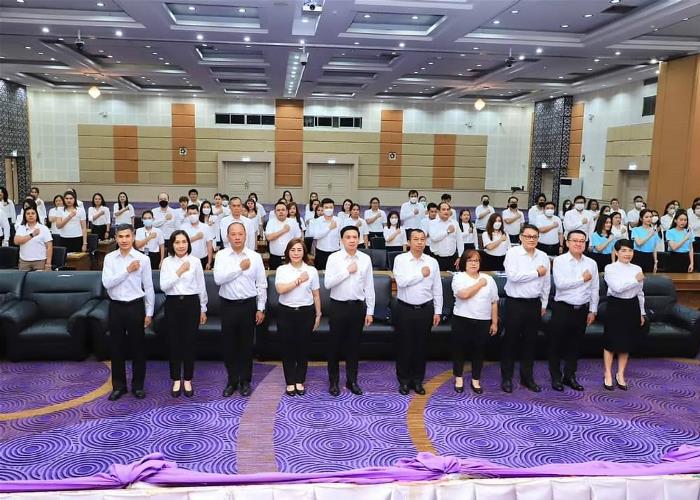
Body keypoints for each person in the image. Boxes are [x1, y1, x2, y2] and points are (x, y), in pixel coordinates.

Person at [102, 224, 155, 401]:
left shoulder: (143, 259)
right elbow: (107, 283)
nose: (124, 240)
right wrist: (127, 270)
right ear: (116, 238)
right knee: (116, 348)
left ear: (133, 237)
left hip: (135, 307)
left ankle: (138, 386)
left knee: (138, 348)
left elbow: (149, 287)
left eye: (127, 236)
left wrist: (149, 312)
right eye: (120, 236)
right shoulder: (110, 258)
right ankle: (119, 386)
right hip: (116, 306)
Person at [214, 222, 267, 397]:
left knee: (246, 346)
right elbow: (219, 279)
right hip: (228, 305)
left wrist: (260, 308)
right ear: (227, 237)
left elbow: (261, 284)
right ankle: (232, 381)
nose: (237, 237)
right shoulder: (221, 255)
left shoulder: (255, 257)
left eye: (240, 234)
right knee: (229, 346)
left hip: (248, 306)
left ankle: (245, 381)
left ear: (246, 236)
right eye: (233, 234)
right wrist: (239, 268)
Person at [324, 226, 375, 396]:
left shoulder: (365, 259)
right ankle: (333, 381)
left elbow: (369, 286)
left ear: (359, 239)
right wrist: (347, 271)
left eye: (355, 237)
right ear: (342, 240)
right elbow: (328, 284)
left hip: (357, 307)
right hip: (338, 307)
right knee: (334, 346)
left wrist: (370, 311)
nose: (352, 240)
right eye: (348, 237)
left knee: (354, 346)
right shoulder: (334, 258)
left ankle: (352, 380)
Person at [501, 224, 551, 393]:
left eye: (534, 237)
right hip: (515, 304)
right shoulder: (512, 253)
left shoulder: (543, 256)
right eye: (528, 236)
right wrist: (536, 273)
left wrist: (544, 304)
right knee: (510, 342)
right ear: (521, 237)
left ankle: (527, 378)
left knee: (530, 343)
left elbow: (546, 282)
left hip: (534, 304)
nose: (531, 239)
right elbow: (513, 277)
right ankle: (507, 378)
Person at [392, 229, 442, 395]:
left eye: (422, 239)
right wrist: (421, 275)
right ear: (409, 242)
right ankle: (404, 381)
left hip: (425, 309)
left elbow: (437, 288)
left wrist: (438, 311)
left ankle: (418, 380)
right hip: (405, 309)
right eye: (416, 239)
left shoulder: (432, 262)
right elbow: (401, 282)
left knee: (421, 347)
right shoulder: (400, 259)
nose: (419, 242)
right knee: (404, 346)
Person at [160, 230, 208, 398]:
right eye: (177, 242)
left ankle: (187, 379)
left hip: (191, 304)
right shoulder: (167, 262)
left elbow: (201, 286)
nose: (181, 245)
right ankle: (175, 379)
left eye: (184, 242)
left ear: (188, 243)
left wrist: (203, 308)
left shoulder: (195, 261)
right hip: (172, 304)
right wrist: (179, 271)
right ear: (172, 245)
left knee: (189, 342)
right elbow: (164, 286)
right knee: (174, 343)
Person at [550, 230, 599, 392]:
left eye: (582, 241)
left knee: (575, 345)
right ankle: (556, 377)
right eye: (575, 240)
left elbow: (594, 288)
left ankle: (569, 376)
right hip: (563, 308)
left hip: (582, 310)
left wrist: (593, 310)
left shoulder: (591, 263)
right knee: (556, 344)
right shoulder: (560, 261)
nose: (579, 243)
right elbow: (561, 284)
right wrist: (582, 279)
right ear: (567, 242)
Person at [275, 238, 322, 397]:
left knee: (303, 348)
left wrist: (318, 314)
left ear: (304, 252)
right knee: (287, 348)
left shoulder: (311, 270)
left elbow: (316, 295)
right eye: (293, 250)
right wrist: (299, 280)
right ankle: (290, 381)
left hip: (306, 312)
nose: (296, 253)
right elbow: (280, 289)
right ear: (288, 252)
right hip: (285, 312)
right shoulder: (282, 269)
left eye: (299, 250)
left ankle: (300, 380)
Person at [451, 249, 498, 394]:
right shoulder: (459, 277)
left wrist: (494, 322)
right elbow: (464, 294)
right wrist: (479, 284)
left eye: (476, 260)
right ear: (464, 263)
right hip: (462, 319)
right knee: (459, 350)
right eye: (470, 260)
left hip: (483, 320)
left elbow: (494, 302)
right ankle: (458, 378)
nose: (474, 263)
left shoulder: (489, 279)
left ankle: (475, 379)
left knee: (479, 351)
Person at [603, 239, 645, 391]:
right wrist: (635, 280)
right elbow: (617, 288)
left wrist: (642, 312)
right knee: (610, 342)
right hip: (616, 306)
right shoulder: (610, 268)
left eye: (630, 250)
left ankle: (620, 374)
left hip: (632, 306)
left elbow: (640, 292)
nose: (628, 254)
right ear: (616, 252)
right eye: (623, 250)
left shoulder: (637, 268)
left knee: (626, 343)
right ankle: (608, 374)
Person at [14, 202, 53, 271]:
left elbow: (49, 247)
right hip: (24, 261)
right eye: (28, 214)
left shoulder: (44, 228)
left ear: (36, 215)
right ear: (25, 216)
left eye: (33, 213)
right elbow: (16, 241)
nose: (30, 215)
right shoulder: (21, 228)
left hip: (40, 261)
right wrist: (32, 235)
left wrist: (48, 263)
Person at [265, 201, 301, 270]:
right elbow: (269, 237)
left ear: (287, 211)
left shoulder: (293, 222)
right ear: (275, 212)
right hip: (275, 257)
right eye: (278, 210)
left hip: (290, 257)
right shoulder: (271, 222)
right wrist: (283, 230)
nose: (281, 212)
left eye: (283, 210)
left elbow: (298, 239)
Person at [429, 202, 463, 271]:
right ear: (438, 211)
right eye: (443, 209)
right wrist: (447, 232)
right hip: (437, 258)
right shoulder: (432, 223)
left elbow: (460, 240)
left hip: (452, 259)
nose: (446, 211)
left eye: (448, 209)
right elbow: (434, 238)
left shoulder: (455, 223)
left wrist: (460, 257)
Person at [309, 198, 341, 270]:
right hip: (321, 253)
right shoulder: (317, 221)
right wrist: (329, 228)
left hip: (335, 252)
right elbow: (315, 236)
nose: (329, 209)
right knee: (320, 274)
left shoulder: (339, 220)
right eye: (326, 207)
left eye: (331, 207)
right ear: (322, 208)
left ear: (333, 208)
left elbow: (342, 237)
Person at [181, 204, 213, 271]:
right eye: (190, 214)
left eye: (194, 213)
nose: (192, 215)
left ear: (198, 213)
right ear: (187, 214)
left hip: (203, 259)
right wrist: (195, 237)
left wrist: (209, 262)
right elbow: (181, 243)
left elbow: (209, 246)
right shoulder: (183, 227)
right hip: (187, 260)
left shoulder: (205, 227)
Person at [630, 209, 659, 273]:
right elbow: (638, 243)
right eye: (646, 217)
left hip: (649, 257)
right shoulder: (635, 230)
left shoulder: (654, 231)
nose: (649, 219)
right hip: (638, 255)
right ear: (641, 219)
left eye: (650, 217)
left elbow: (654, 248)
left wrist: (655, 262)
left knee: (648, 277)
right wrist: (649, 235)